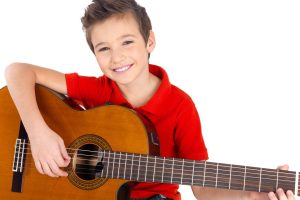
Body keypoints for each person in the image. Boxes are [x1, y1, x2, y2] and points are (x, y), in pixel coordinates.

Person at [4, 0, 295, 200]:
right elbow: (17, 71)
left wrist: (249, 194)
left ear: (150, 42)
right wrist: (38, 133)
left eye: (127, 42)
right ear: (94, 54)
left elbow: (200, 185)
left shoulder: (180, 106)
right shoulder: (98, 89)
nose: (117, 57)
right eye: (104, 48)